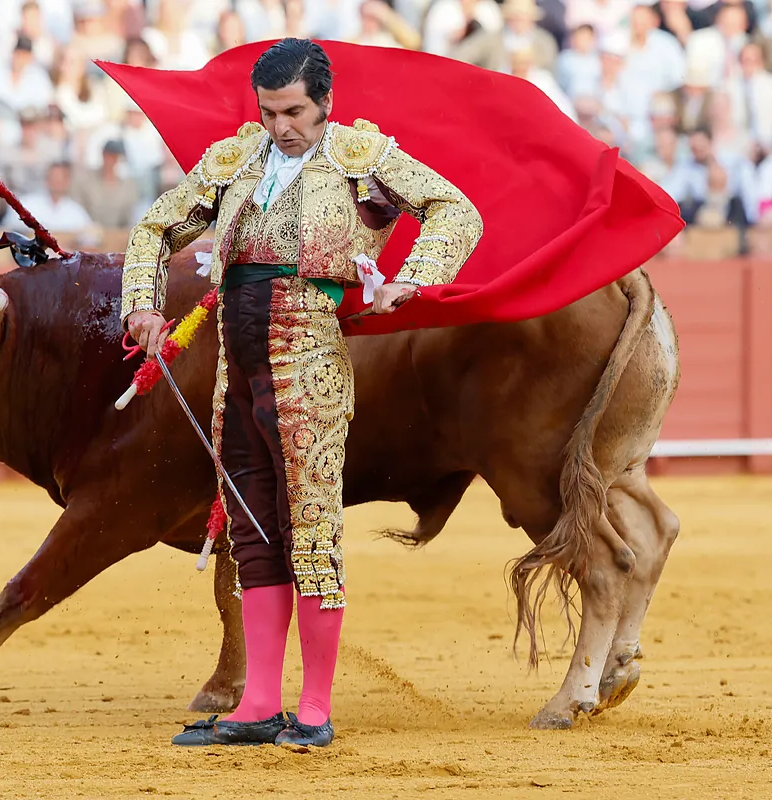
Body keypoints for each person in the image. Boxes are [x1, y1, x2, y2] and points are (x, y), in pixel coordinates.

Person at [120, 38, 483, 749]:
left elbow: (455, 210)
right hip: (238, 366)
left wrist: (412, 277)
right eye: (269, 112)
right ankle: (258, 702)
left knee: (311, 527)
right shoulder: (236, 160)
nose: (281, 125)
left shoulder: (361, 159)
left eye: (294, 111)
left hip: (310, 359)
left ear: (326, 104)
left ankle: (313, 708)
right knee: (253, 529)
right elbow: (156, 226)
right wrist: (142, 302)